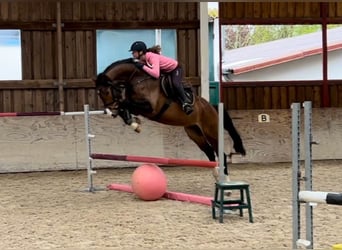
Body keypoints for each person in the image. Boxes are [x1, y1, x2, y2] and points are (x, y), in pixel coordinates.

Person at [129, 41, 193, 115]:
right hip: (166, 71)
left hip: (175, 69)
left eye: (134, 52)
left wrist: (143, 66)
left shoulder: (152, 57)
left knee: (175, 83)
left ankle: (186, 103)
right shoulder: (143, 59)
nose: (132, 53)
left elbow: (156, 74)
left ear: (140, 52)